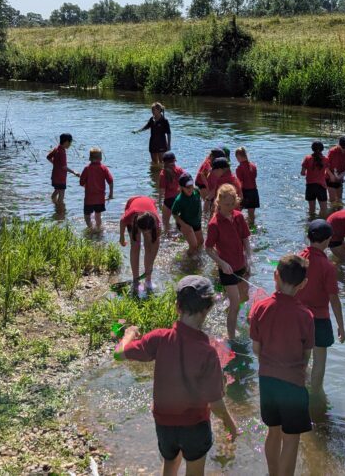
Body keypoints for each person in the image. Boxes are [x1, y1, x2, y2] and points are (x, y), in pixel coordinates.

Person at [115, 275, 238, 476]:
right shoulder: (207, 352)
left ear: (177, 306)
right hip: (195, 427)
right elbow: (216, 404)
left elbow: (119, 354)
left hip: (164, 425)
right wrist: (230, 424)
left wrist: (128, 336)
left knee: (170, 463)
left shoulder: (158, 338)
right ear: (208, 309)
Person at [248, 254, 314, 476]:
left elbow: (256, 349)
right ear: (303, 284)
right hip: (293, 385)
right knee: (291, 439)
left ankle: (273, 473)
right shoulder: (306, 315)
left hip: (267, 381)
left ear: (276, 276)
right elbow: (306, 355)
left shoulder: (259, 308)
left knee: (272, 432)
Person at [297, 220, 345, 391]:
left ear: (309, 237)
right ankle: (317, 394)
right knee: (319, 359)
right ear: (328, 240)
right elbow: (334, 299)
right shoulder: (328, 267)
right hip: (319, 319)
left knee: (302, 356)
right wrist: (341, 325)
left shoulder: (298, 260)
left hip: (298, 317)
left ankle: (300, 387)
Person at [204, 184, 252, 341]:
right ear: (219, 202)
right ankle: (231, 337)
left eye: (233, 204)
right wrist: (222, 263)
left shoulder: (238, 216)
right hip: (227, 269)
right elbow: (208, 249)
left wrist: (249, 257)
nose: (230, 207)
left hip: (241, 265)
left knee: (244, 296)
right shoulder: (214, 224)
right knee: (235, 302)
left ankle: (227, 307)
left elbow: (245, 237)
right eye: (227, 205)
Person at [120, 196, 163, 296]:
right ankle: (136, 281)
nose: (146, 233)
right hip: (133, 203)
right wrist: (121, 237)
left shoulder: (157, 222)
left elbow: (155, 246)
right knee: (135, 246)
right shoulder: (130, 216)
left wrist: (150, 265)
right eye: (144, 231)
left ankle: (148, 281)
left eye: (149, 231)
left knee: (149, 246)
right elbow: (122, 222)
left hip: (149, 204)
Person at [79, 147, 114, 232]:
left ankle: (90, 228)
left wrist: (86, 185)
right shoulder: (104, 168)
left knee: (87, 215)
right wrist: (111, 194)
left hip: (89, 199)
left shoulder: (87, 169)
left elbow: (81, 183)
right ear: (101, 158)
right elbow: (111, 181)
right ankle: (98, 229)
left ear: (90, 158)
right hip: (100, 198)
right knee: (98, 215)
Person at [171, 173, 204, 255]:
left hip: (196, 221)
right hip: (185, 223)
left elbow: (199, 203)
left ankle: (196, 257)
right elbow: (174, 213)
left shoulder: (196, 192)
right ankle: (187, 259)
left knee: (201, 242)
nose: (190, 189)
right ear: (181, 187)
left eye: (191, 186)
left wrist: (201, 215)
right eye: (187, 187)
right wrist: (183, 225)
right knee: (194, 245)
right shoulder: (179, 200)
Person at [47, 133, 79, 208]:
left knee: (57, 190)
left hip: (55, 176)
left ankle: (53, 202)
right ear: (66, 142)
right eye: (70, 142)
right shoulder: (62, 153)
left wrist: (55, 164)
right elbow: (64, 167)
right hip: (60, 178)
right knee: (61, 195)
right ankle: (60, 212)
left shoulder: (56, 148)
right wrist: (74, 172)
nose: (70, 144)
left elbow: (48, 157)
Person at [158, 151, 185, 232]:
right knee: (179, 221)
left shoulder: (163, 174)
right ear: (174, 161)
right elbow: (186, 182)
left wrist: (160, 202)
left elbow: (162, 191)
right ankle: (179, 236)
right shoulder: (179, 170)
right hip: (180, 199)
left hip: (169, 201)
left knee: (165, 223)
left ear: (164, 162)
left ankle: (167, 240)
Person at [300, 141, 328, 216]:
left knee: (311, 210)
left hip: (310, 187)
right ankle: (321, 223)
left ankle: (310, 224)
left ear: (312, 149)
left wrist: (310, 174)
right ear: (322, 149)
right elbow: (327, 172)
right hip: (321, 187)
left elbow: (302, 173)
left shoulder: (307, 158)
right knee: (324, 210)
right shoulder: (326, 159)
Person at [234, 146, 260, 226]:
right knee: (251, 215)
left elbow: (240, 183)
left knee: (236, 211)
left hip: (244, 192)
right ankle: (252, 229)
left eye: (236, 157)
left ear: (239, 156)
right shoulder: (253, 166)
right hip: (254, 192)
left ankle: (237, 227)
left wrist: (236, 193)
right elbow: (254, 177)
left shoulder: (239, 168)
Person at [325, 136, 345, 207]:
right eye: (344, 148)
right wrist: (331, 176)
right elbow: (326, 166)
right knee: (332, 200)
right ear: (339, 145)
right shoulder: (332, 151)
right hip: (329, 178)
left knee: (339, 200)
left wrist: (342, 175)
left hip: (339, 178)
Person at [196, 147, 224, 217]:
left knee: (209, 202)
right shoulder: (208, 164)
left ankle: (206, 216)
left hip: (203, 183)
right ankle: (205, 217)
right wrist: (208, 188)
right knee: (209, 202)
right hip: (202, 184)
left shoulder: (210, 160)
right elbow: (202, 175)